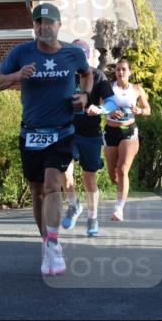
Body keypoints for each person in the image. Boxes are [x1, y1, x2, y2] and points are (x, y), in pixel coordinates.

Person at [0, 3, 91, 276]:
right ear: (34, 26)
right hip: (31, 133)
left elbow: (87, 73)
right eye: (38, 22)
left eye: (49, 22)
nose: (44, 27)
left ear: (59, 25)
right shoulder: (21, 52)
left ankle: (54, 244)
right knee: (37, 191)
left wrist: (85, 95)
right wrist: (16, 76)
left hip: (62, 131)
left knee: (52, 184)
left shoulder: (72, 53)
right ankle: (46, 242)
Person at [62, 39, 113, 236]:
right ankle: (74, 204)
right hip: (67, 131)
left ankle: (92, 217)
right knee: (64, 170)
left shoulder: (98, 76)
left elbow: (111, 102)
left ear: (88, 56)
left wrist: (100, 109)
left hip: (90, 133)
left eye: (82, 56)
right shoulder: (64, 74)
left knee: (89, 176)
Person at [103, 58, 151, 222]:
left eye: (124, 69)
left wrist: (139, 110)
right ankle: (121, 190)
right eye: (118, 69)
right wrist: (108, 112)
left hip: (129, 130)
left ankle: (119, 208)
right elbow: (99, 106)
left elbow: (147, 109)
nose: (121, 72)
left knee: (123, 169)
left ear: (130, 72)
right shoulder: (108, 88)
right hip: (111, 131)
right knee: (113, 175)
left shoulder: (137, 89)